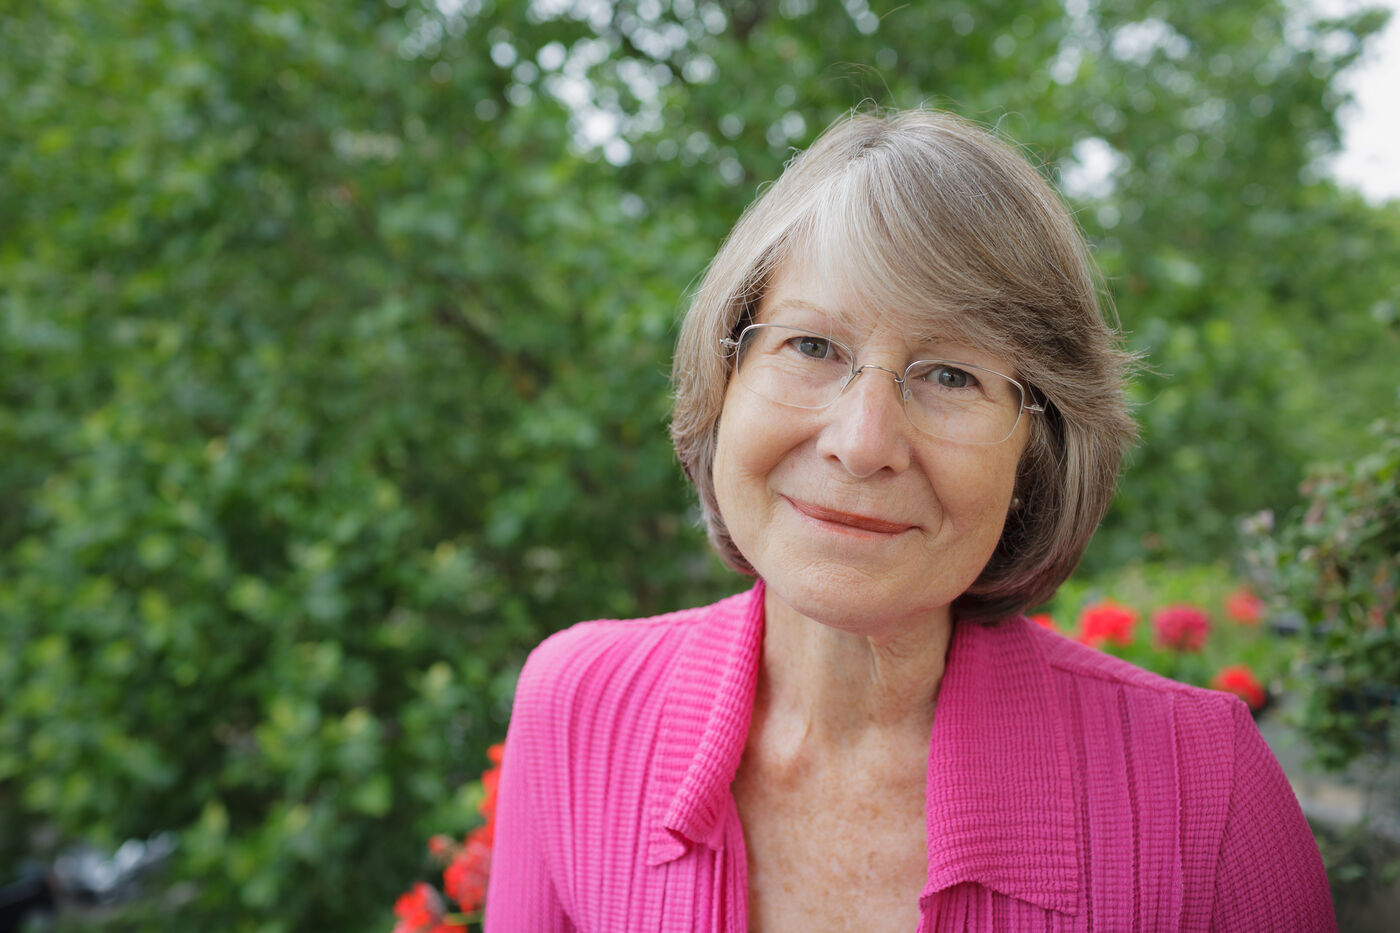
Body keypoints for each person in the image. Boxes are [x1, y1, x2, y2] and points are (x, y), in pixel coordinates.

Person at [483, 109, 1336, 932]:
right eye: (812, 346)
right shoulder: (578, 705)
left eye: (951, 375)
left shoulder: (1204, 789)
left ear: (1036, 453)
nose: (863, 443)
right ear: (726, 376)